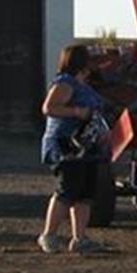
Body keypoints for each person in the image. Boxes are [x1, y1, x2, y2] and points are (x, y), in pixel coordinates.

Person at [37, 44, 107, 254]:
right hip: (67, 146)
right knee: (67, 190)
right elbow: (49, 108)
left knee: (85, 193)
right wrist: (77, 111)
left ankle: (80, 238)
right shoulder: (65, 83)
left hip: (87, 146)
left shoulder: (84, 85)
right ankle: (48, 235)